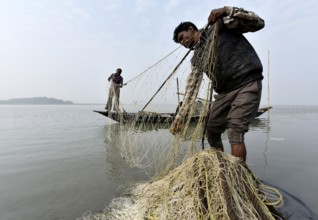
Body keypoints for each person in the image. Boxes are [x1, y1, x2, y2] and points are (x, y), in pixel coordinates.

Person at [170, 6, 265, 162]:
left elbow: (258, 23)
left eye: (182, 37)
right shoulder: (196, 59)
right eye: (180, 42)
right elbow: (190, 89)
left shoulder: (221, 26)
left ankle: (239, 177)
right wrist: (180, 117)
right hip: (223, 93)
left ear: (190, 29)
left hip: (246, 82)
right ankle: (220, 169)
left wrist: (227, 10)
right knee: (212, 130)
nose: (183, 43)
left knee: (235, 131)